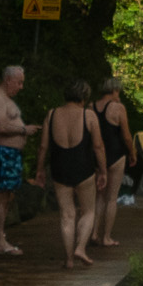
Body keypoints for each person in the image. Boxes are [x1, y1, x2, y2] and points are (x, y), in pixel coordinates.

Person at [33, 80, 109, 270]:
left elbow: (43, 146)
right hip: (83, 168)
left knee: (67, 215)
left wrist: (40, 169)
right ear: (84, 97)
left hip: (60, 168)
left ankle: (68, 260)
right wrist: (103, 170)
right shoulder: (88, 115)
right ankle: (80, 248)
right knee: (88, 211)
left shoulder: (52, 114)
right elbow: (98, 146)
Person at [0, 64, 39, 256]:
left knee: (9, 196)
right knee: (2, 195)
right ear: (8, 80)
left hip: (12, 154)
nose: (21, 87)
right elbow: (0, 125)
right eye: (19, 82)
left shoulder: (6, 99)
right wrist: (24, 130)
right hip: (4, 153)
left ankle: (0, 237)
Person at [92, 78, 132, 248]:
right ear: (115, 90)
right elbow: (126, 135)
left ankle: (93, 233)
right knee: (111, 198)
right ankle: (106, 237)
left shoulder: (90, 108)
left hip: (96, 156)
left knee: (98, 197)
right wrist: (133, 152)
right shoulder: (118, 108)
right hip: (115, 155)